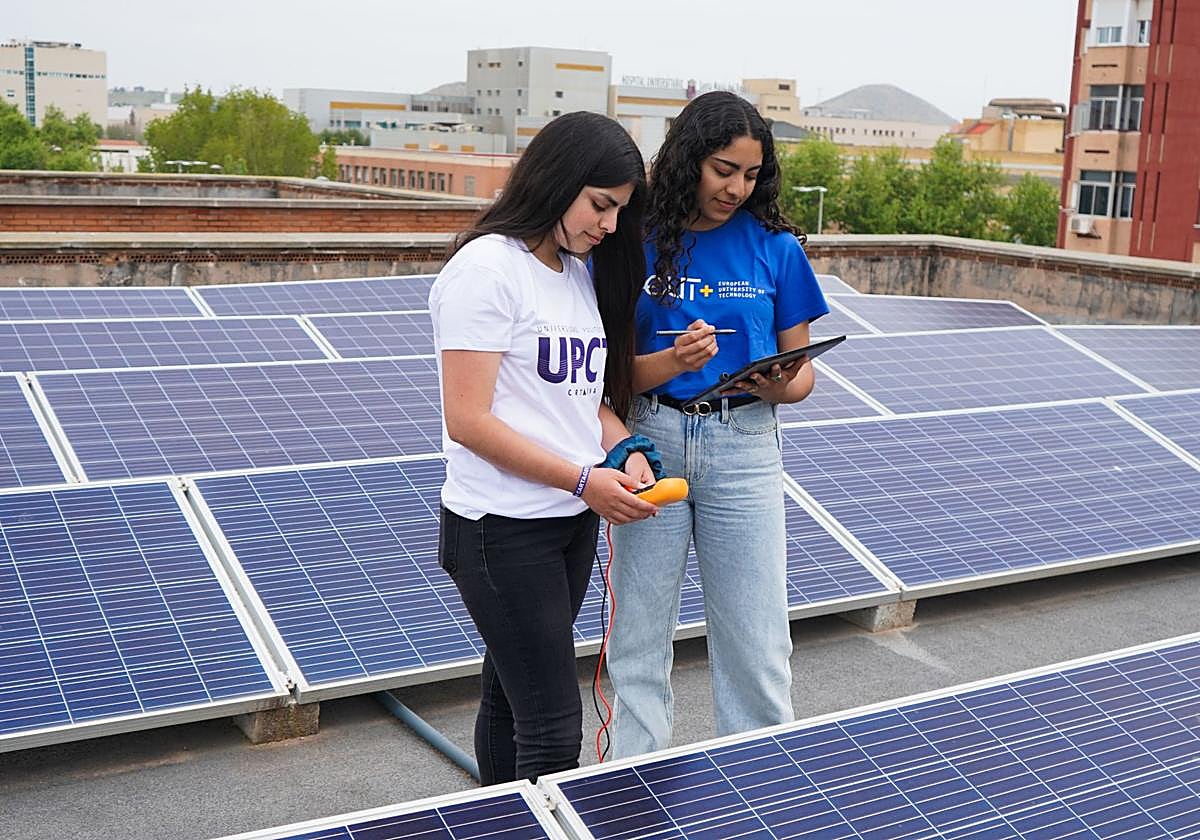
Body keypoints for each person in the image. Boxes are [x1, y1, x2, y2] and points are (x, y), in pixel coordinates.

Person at [429, 111, 660, 785]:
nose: (610, 226)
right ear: (557, 180)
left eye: (619, 210)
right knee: (554, 727)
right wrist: (584, 481)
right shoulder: (486, 271)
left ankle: (499, 818)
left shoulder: (577, 274)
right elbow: (468, 420)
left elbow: (583, 402)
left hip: (565, 524)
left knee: (510, 697)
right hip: (500, 531)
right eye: (601, 205)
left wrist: (624, 452)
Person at [607, 91, 830, 758]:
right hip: (652, 439)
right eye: (722, 170)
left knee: (756, 640)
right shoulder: (634, 240)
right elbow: (609, 372)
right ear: (688, 162)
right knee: (639, 638)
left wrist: (781, 380)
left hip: (746, 443)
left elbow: (805, 376)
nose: (737, 187)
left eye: (751, 173)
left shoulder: (777, 249)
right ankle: (631, 793)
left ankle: (756, 797)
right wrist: (671, 359)